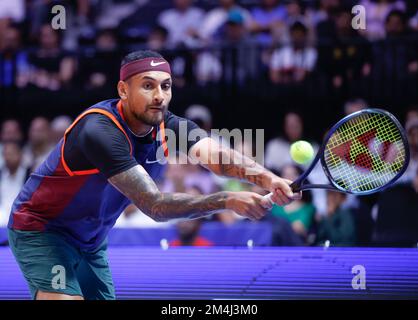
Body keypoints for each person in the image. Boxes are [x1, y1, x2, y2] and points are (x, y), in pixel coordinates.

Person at [7, 50, 300, 300]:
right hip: (42, 229)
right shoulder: (100, 131)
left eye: (166, 86)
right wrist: (227, 199)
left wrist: (269, 179)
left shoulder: (168, 126)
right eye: (148, 86)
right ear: (123, 90)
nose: (160, 96)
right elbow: (155, 206)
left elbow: (220, 159)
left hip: (90, 240)